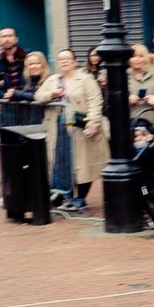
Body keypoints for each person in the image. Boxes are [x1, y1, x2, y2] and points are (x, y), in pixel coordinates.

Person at [36, 49, 109, 213]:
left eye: (67, 58)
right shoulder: (53, 80)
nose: (64, 61)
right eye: (61, 59)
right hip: (58, 128)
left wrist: (93, 122)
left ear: (74, 61)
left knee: (84, 164)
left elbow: (95, 101)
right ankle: (66, 197)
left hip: (79, 126)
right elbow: (38, 95)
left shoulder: (85, 78)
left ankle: (80, 198)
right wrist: (51, 94)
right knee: (60, 162)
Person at [5, 51, 50, 126]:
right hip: (27, 123)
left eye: (38, 63)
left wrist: (16, 94)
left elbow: (37, 96)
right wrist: (12, 95)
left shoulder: (50, 80)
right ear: (27, 67)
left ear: (43, 65)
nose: (34, 66)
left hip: (44, 123)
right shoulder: (26, 81)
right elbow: (26, 95)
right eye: (31, 64)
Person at [0, 27, 27, 99]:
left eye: (10, 36)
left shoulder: (27, 57)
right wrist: (3, 95)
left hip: (27, 100)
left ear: (16, 39)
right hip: (8, 102)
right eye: (4, 36)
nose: (7, 39)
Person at [128, 44, 154, 120]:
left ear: (146, 58)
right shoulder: (124, 75)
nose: (137, 59)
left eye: (141, 56)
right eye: (133, 56)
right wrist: (128, 100)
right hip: (133, 120)